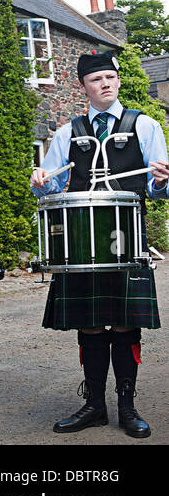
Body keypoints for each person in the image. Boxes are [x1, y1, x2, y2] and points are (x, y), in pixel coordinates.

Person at [32, 51, 169, 438]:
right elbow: (52, 184)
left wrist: (161, 180)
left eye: (111, 76)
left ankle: (127, 406)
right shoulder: (66, 132)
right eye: (96, 79)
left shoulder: (144, 126)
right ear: (83, 86)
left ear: (119, 81)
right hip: (81, 243)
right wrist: (40, 179)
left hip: (128, 240)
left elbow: (161, 189)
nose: (105, 83)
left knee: (126, 325)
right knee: (90, 325)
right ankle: (93, 405)